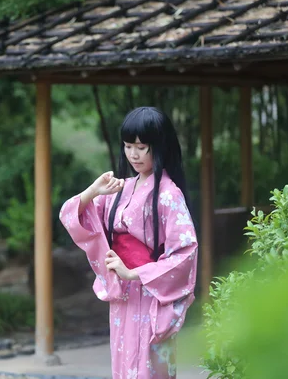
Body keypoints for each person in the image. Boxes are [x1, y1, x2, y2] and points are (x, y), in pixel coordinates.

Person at [59, 106, 198, 379]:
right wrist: (93, 191)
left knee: (148, 367)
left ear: (159, 147)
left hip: (151, 293)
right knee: (123, 366)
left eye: (142, 147)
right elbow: (72, 216)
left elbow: (185, 251)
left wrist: (135, 272)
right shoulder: (119, 189)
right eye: (128, 146)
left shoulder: (169, 194)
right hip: (123, 294)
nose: (133, 154)